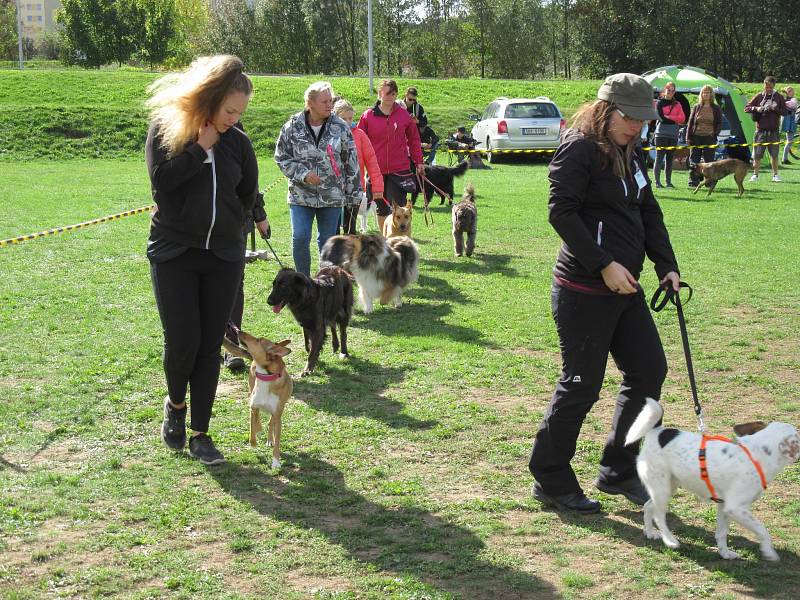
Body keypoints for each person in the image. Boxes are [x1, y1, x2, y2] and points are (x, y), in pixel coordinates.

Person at [528, 73, 681, 514]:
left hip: (625, 288)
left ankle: (618, 468)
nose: (637, 126)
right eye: (629, 118)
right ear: (605, 109)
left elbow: (647, 209)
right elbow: (562, 213)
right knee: (581, 385)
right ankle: (551, 477)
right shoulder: (578, 148)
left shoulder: (631, 150)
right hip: (583, 289)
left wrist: (666, 265)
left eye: (642, 119)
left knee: (649, 370)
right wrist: (603, 264)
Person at [145, 55, 259, 465]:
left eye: (240, 112)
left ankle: (201, 432)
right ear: (209, 99)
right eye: (230, 110)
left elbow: (247, 193)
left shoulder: (239, 143)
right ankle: (175, 407)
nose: (234, 119)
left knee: (210, 346)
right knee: (183, 343)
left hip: (223, 256)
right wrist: (198, 150)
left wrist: (234, 227)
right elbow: (162, 186)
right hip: (175, 252)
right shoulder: (166, 130)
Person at [275, 81, 362, 276]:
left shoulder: (340, 127)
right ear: (310, 103)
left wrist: (354, 193)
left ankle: (326, 284)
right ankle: (303, 281)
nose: (329, 105)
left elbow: (351, 161)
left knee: (328, 242)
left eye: (330, 101)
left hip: (332, 196)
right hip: (300, 196)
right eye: (324, 101)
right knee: (300, 237)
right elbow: (281, 157)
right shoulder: (292, 127)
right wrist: (303, 174)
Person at [358, 79, 424, 233]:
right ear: (380, 93)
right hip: (376, 171)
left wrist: (419, 161)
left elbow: (414, 139)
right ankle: (385, 240)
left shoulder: (404, 115)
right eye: (386, 93)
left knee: (398, 209)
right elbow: (359, 141)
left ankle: (399, 244)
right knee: (381, 208)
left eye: (393, 94)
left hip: (399, 169)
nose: (389, 97)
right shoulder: (368, 116)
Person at [224, 188, 270, 371]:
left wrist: (259, 215)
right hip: (194, 226)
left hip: (235, 222)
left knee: (234, 284)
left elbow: (249, 179)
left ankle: (231, 343)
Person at [332, 98, 384, 234]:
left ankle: (350, 253)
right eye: (344, 118)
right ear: (335, 117)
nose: (348, 122)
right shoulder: (329, 135)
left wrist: (378, 186)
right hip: (333, 188)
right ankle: (335, 253)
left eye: (350, 118)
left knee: (351, 228)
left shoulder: (360, 135)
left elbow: (372, 162)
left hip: (354, 188)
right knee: (333, 228)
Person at [745, 76, 786, 183]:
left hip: (774, 131)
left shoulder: (779, 97)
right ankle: (755, 175)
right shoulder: (759, 96)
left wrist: (775, 108)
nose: (767, 89)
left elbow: (785, 112)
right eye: (766, 86)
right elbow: (746, 108)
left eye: (770, 87)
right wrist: (756, 108)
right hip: (760, 131)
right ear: (764, 84)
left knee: (774, 154)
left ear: (774, 86)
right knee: (757, 155)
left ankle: (775, 175)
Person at [685, 85, 722, 187]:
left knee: (709, 162)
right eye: (704, 92)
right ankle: (693, 182)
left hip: (710, 138)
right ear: (701, 94)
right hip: (696, 137)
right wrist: (688, 137)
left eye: (708, 92)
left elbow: (719, 123)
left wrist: (715, 134)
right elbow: (690, 123)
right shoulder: (696, 107)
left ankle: (709, 182)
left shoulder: (716, 108)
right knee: (694, 161)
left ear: (711, 95)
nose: (706, 94)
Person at [652, 82, 685, 188]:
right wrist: (674, 118)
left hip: (673, 135)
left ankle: (668, 182)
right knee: (659, 158)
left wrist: (669, 117)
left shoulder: (677, 104)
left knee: (670, 159)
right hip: (661, 134)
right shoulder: (659, 103)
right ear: (664, 90)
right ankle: (657, 182)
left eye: (673, 90)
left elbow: (682, 118)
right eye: (669, 90)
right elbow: (661, 118)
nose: (670, 92)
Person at [404, 86, 439, 165]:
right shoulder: (399, 106)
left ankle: (426, 163)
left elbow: (425, 122)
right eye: (410, 99)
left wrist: (417, 121)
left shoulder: (418, 108)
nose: (412, 102)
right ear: (405, 95)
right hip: (401, 136)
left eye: (414, 100)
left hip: (413, 136)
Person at [780, 86, 797, 165]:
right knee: (788, 140)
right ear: (787, 92)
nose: (792, 92)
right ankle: (784, 158)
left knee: (789, 140)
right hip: (787, 121)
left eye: (792, 90)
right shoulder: (784, 100)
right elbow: (792, 105)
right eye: (790, 91)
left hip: (791, 121)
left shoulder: (790, 100)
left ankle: (784, 158)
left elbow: (793, 105)